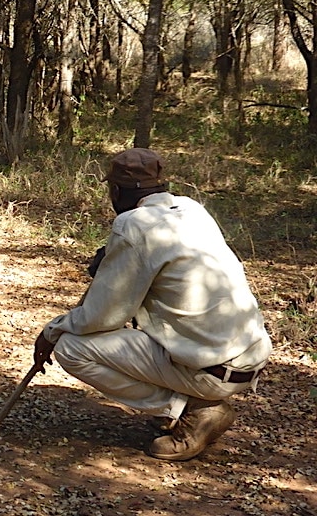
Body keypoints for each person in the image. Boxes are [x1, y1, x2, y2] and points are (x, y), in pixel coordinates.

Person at [33, 147, 272, 461]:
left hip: (213, 371)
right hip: (251, 358)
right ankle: (191, 403)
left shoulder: (133, 225)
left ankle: (190, 411)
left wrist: (51, 332)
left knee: (71, 347)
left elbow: (102, 318)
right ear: (161, 184)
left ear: (115, 191)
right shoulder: (192, 209)